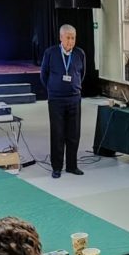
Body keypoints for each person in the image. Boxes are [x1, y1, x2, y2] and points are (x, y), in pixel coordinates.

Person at [40, 24, 86, 179]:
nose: (70, 41)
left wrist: (75, 88)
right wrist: (53, 89)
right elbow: (43, 75)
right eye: (68, 38)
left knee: (74, 133)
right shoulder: (50, 53)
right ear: (61, 38)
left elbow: (82, 73)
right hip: (56, 99)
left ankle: (72, 166)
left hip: (74, 98)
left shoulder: (80, 53)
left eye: (73, 38)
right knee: (58, 133)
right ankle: (57, 167)